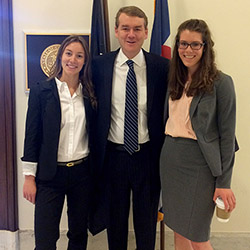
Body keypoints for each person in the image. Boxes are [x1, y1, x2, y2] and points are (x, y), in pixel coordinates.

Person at [90, 6, 169, 250]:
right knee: (116, 225)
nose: (131, 34)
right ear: (116, 31)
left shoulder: (162, 67)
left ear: (146, 32)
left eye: (137, 29)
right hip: (113, 157)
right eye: (125, 28)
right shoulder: (99, 66)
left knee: (146, 226)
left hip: (148, 156)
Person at [160, 19, 237, 250]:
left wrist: (224, 182)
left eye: (195, 44)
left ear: (205, 47)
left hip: (200, 165)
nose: (188, 50)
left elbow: (227, 137)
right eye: (183, 44)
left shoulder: (221, 83)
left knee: (198, 235)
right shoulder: (174, 79)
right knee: (178, 228)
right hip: (171, 160)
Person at [21, 35, 96, 250]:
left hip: (82, 174)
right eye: (69, 53)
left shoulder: (90, 94)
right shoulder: (41, 92)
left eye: (79, 55)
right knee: (45, 238)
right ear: (60, 56)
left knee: (79, 233)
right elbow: (32, 136)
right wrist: (29, 177)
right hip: (49, 175)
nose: (73, 59)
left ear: (85, 61)